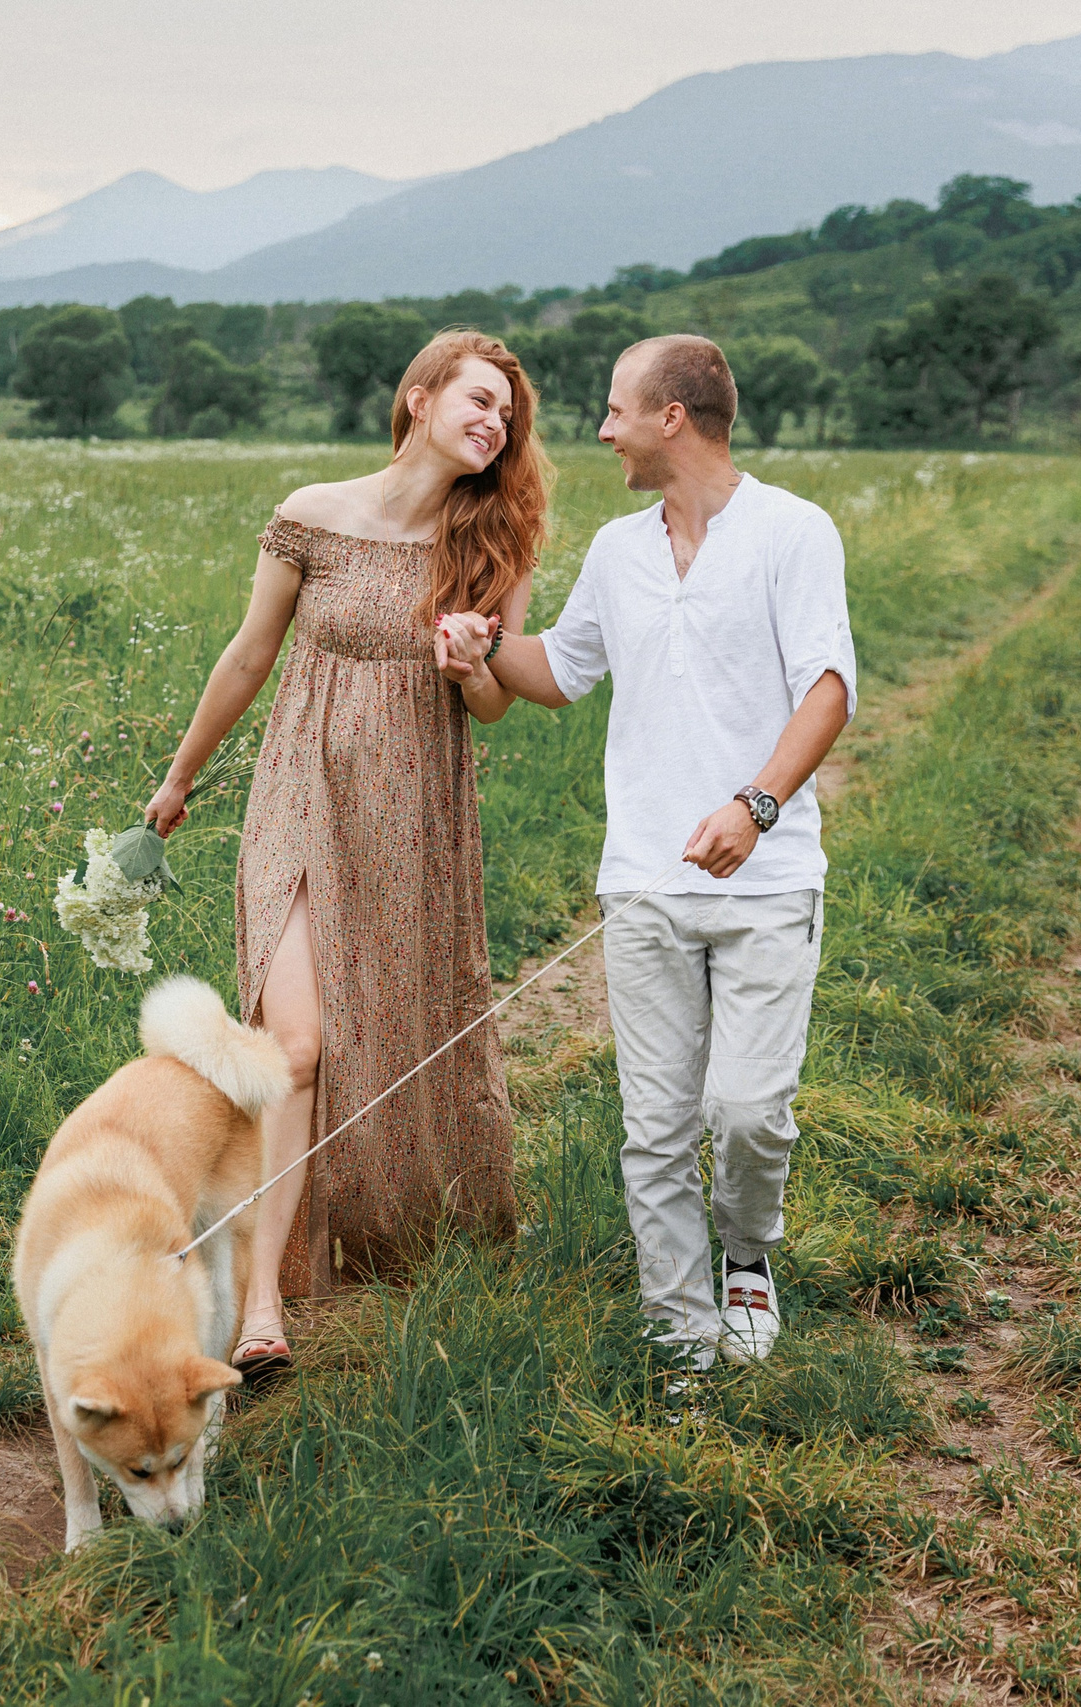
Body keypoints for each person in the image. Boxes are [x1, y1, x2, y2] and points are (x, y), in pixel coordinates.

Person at [437, 334, 853, 1370]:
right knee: (656, 1129)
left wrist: (754, 806)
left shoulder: (793, 533)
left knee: (748, 1113)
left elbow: (828, 690)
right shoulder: (621, 552)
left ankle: (748, 1253)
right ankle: (681, 1334)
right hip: (643, 886)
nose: (602, 428)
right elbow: (559, 673)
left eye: (617, 408)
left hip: (767, 879)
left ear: (673, 417)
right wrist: (480, 647)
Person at [143, 329, 550, 1386]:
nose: (492, 422)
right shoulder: (312, 516)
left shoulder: (495, 547)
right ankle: (267, 1303)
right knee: (300, 1042)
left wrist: (471, 666)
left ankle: (394, 1226)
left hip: (412, 813)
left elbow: (499, 704)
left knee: (399, 1024)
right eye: (475, 398)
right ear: (416, 398)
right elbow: (248, 654)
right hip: (298, 790)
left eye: (505, 413)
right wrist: (180, 777)